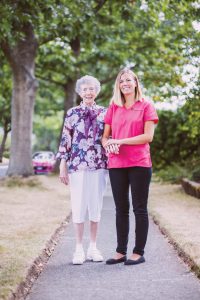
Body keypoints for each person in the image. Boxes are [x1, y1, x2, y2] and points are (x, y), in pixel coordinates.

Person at [102, 68, 158, 265]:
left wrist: (122, 141)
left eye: (128, 80)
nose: (125, 83)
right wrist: (109, 143)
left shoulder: (146, 106)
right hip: (116, 164)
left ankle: (138, 252)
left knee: (139, 208)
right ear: (118, 85)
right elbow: (105, 137)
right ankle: (120, 251)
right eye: (121, 81)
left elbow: (148, 136)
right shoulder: (113, 108)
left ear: (135, 83)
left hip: (139, 163)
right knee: (121, 209)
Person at [57, 75, 108, 265]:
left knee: (95, 207)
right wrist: (63, 164)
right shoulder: (72, 113)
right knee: (78, 206)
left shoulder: (105, 113)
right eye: (85, 89)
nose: (88, 92)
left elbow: (108, 138)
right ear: (80, 92)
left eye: (92, 88)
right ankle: (78, 248)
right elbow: (65, 139)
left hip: (99, 165)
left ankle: (93, 247)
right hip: (77, 165)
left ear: (97, 91)